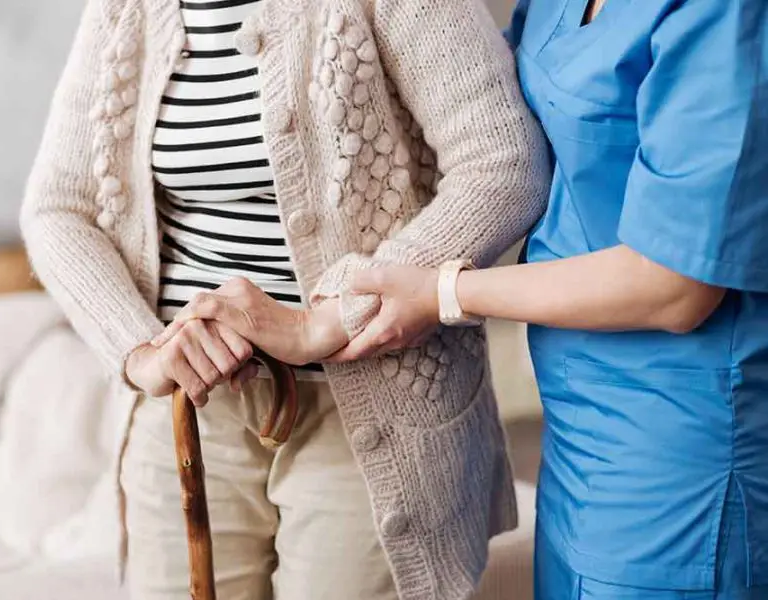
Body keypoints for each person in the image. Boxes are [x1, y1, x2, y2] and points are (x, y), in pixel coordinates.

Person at [199, 0, 767, 597]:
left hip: (685, 433)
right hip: (579, 423)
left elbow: (675, 286)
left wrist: (444, 291)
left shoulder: (723, 13)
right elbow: (477, 103)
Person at [20, 0, 550, 597]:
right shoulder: (124, 10)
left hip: (372, 400)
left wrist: (336, 315)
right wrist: (138, 349)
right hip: (189, 414)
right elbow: (59, 208)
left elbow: (504, 163)